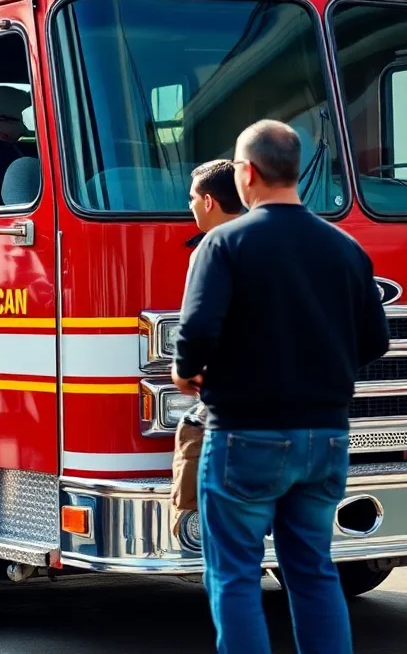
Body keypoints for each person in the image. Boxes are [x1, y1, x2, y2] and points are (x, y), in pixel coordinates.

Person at [174, 120, 390, 654]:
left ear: (246, 173)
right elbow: (376, 341)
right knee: (314, 571)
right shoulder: (346, 247)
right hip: (326, 438)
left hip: (244, 436)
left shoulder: (223, 243)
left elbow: (197, 333)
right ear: (295, 168)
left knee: (235, 574)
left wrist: (188, 371)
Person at [170, 160, 245, 535]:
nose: (191, 207)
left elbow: (196, 326)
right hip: (303, 417)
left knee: (192, 426)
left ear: (210, 201)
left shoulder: (211, 248)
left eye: (192, 199)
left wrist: (184, 371)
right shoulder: (285, 240)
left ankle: (194, 523)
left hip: (233, 411)